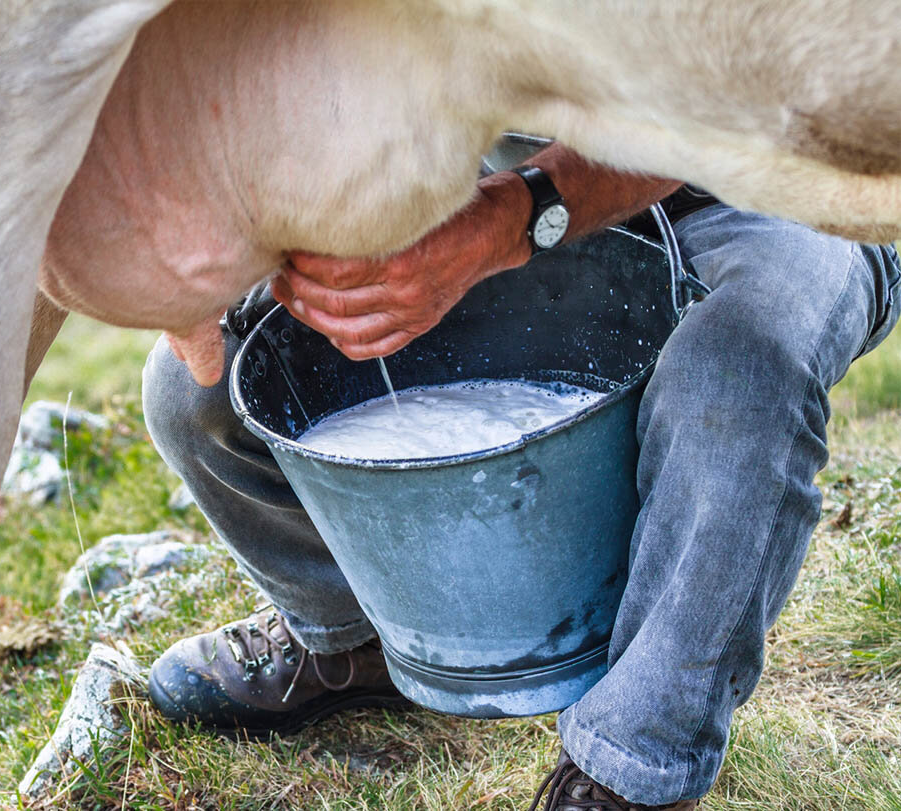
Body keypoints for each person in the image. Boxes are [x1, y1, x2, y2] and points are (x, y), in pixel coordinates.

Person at [140, 141, 900, 809]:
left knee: (738, 375)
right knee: (200, 390)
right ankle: (356, 633)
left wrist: (502, 224)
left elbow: (725, 112)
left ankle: (632, 766)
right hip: (497, 170)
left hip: (785, 184)